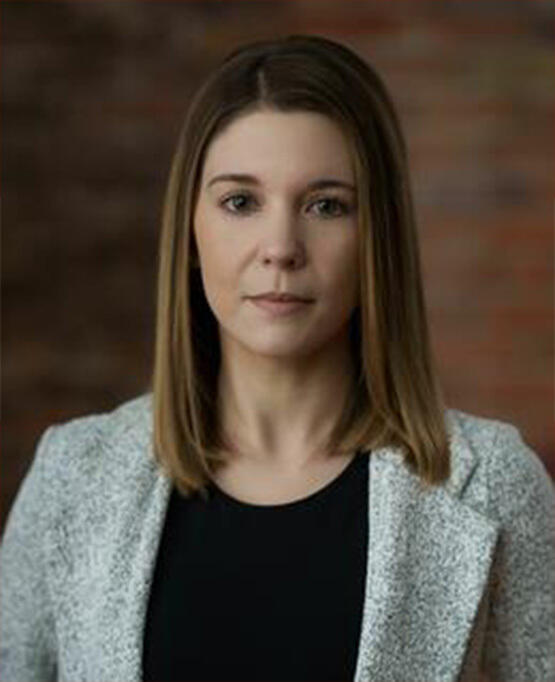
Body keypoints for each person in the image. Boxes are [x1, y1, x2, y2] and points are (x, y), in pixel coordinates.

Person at [1, 33, 554, 682]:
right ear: (191, 232)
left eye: (326, 205)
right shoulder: (74, 477)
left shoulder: (492, 484)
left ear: (377, 236)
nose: (280, 247)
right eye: (240, 201)